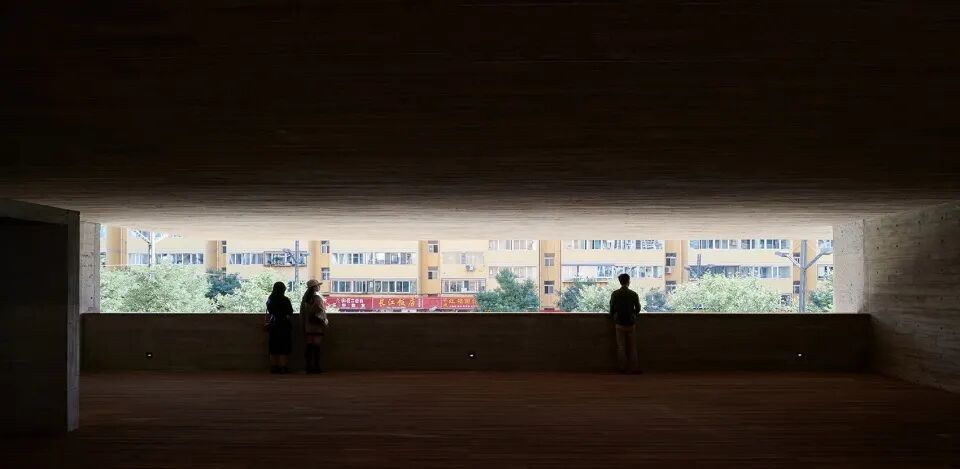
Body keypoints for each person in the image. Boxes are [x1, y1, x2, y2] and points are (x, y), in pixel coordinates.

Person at [608, 273, 642, 373]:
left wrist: (614, 317)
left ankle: (622, 368)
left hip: (619, 323)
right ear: (628, 281)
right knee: (632, 347)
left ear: (620, 282)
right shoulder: (633, 294)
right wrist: (633, 314)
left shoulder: (615, 294)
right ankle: (634, 368)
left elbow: (611, 308)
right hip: (630, 323)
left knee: (621, 347)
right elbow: (638, 308)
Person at [301, 279, 329, 373]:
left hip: (308, 325)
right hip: (317, 325)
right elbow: (321, 311)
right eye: (317, 285)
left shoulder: (305, 299)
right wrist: (325, 322)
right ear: (314, 287)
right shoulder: (317, 298)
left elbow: (302, 313)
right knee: (316, 346)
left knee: (309, 345)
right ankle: (316, 367)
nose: (319, 286)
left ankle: (308, 367)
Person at [266, 281, 294, 374]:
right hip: (284, 325)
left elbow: (270, 311)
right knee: (284, 346)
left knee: (273, 346)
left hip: (273, 325)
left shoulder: (270, 299)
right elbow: (290, 312)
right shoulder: (285, 299)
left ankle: (274, 367)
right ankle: (283, 367)